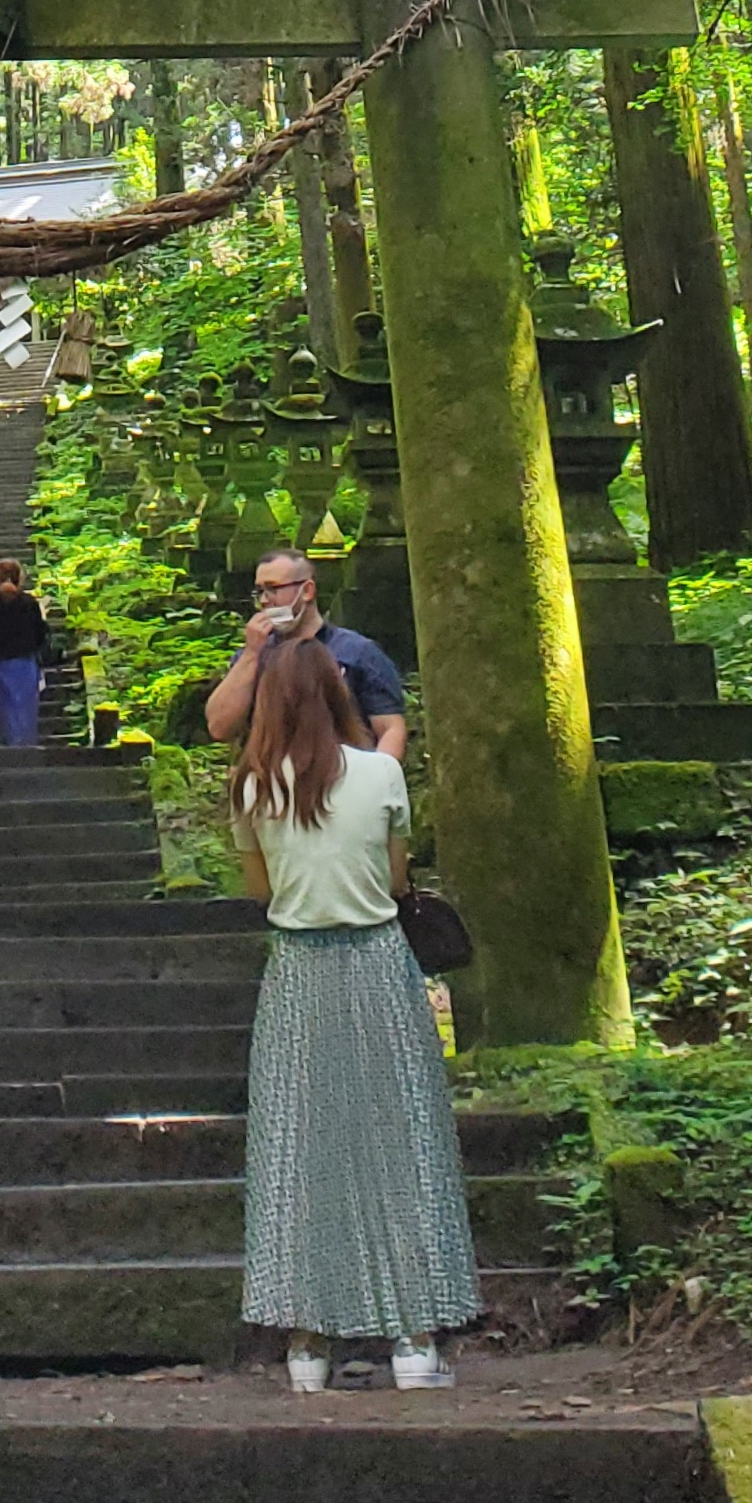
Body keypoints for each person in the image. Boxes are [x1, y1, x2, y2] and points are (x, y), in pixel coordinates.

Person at [230, 635, 479, 1392]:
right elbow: (396, 875)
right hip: (377, 964)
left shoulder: (252, 787)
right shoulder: (381, 774)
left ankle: (306, 1345)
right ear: (339, 693)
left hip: (299, 975)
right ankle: (413, 1337)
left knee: (301, 1149)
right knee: (401, 1140)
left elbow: (261, 892)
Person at [204, 549, 409, 762]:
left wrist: (379, 779)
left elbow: (390, 728)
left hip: (341, 777)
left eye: (274, 589)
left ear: (307, 591)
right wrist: (251, 653)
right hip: (271, 781)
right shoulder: (253, 656)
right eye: (259, 592)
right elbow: (219, 727)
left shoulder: (358, 652)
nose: (265, 601)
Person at [0, 550, 51, 747]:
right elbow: (41, 634)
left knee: (1, 716)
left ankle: (2, 754)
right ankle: (24, 755)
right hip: (24, 665)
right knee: (23, 713)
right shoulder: (29, 603)